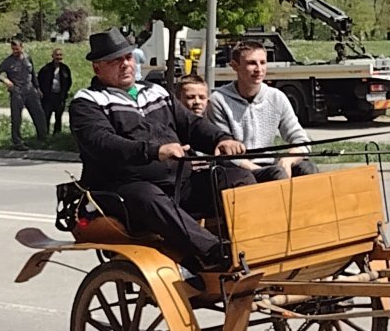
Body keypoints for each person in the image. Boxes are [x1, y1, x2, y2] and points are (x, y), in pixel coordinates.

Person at [69, 27, 256, 273]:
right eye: (115, 61)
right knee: (148, 196)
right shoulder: (87, 102)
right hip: (123, 189)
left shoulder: (155, 91)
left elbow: (191, 125)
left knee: (239, 178)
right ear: (97, 68)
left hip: (178, 183)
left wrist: (220, 139)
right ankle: (215, 254)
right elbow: (103, 144)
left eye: (128, 57)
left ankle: (254, 246)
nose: (125, 64)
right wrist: (155, 151)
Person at [208, 41, 317, 182]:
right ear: (235, 66)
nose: (259, 69)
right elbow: (224, 151)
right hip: (238, 169)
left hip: (270, 165)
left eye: (263, 62)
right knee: (277, 173)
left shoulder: (276, 97)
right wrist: (258, 169)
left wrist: (288, 159)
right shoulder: (218, 100)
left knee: (308, 168)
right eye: (251, 63)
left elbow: (302, 141)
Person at [0, 39, 48, 150]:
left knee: (39, 114)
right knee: (16, 118)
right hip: (17, 91)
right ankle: (18, 142)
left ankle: (43, 139)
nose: (15, 51)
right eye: (13, 49)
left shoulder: (28, 58)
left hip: (30, 90)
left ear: (22, 47)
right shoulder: (8, 61)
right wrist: (5, 80)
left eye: (17, 49)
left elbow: (33, 73)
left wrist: (37, 88)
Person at [37, 48, 73, 134]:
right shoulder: (46, 69)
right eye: (57, 55)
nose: (58, 57)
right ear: (52, 56)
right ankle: (45, 134)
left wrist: (64, 92)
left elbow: (69, 82)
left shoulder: (65, 69)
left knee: (58, 117)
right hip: (48, 97)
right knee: (46, 116)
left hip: (60, 97)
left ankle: (57, 134)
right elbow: (39, 81)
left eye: (60, 55)